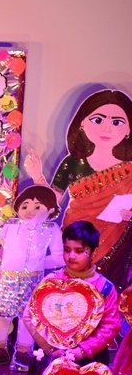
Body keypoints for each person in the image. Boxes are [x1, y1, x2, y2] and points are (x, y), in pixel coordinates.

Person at [20, 221, 121, 375]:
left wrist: (81, 350)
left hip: (88, 359)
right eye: (67, 250)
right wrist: (50, 347)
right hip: (53, 356)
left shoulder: (104, 287)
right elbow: (31, 315)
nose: (71, 256)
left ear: (92, 252)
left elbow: (110, 325)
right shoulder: (51, 281)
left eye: (79, 251)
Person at [27, 89, 132, 290]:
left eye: (117, 122)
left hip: (117, 242)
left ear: (129, 129)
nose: (107, 128)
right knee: (74, 294)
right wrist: (37, 176)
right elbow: (52, 202)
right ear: (82, 123)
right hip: (75, 239)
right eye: (98, 120)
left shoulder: (129, 170)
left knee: (108, 293)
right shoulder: (72, 163)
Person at [0, 185, 62, 370]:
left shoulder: (51, 229)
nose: (30, 211)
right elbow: (1, 246)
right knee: (2, 314)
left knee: (28, 317)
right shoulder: (11, 226)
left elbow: (59, 256)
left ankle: (24, 351)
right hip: (8, 277)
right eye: (25, 205)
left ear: (50, 210)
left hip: (33, 280)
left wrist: (39, 263)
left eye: (37, 207)